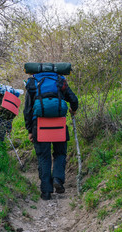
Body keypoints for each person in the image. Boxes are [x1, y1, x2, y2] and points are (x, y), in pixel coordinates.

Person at [23, 71, 78, 200]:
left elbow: (28, 109)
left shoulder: (33, 83)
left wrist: (30, 130)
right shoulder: (60, 81)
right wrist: (73, 109)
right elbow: (74, 99)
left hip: (39, 125)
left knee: (43, 157)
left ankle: (46, 192)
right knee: (60, 153)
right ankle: (58, 179)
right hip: (59, 124)